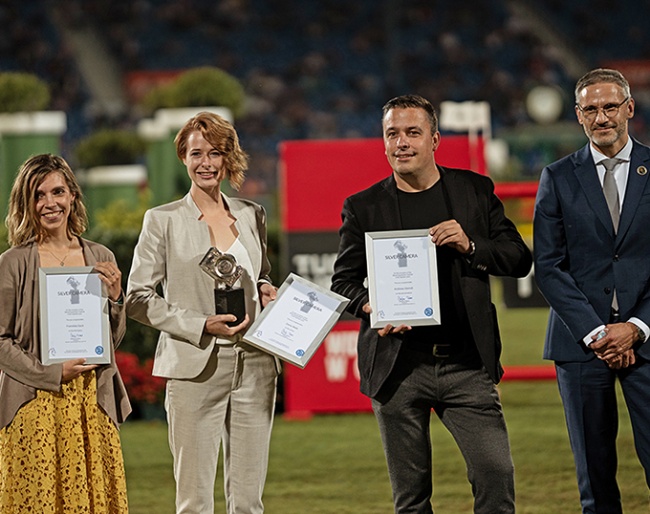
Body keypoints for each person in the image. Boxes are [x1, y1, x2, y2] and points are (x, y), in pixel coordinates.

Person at [331, 94, 532, 513]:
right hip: (398, 367)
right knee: (411, 499)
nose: (401, 142)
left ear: (435, 139)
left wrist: (471, 244)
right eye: (392, 134)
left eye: (412, 132)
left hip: (466, 365)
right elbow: (343, 283)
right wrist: (373, 307)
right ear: (383, 142)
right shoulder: (363, 206)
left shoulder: (474, 191)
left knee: (496, 476)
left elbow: (518, 258)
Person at [126, 111, 280, 514]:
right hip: (195, 367)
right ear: (183, 158)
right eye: (197, 153)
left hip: (256, 363)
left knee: (249, 501)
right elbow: (137, 298)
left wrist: (265, 288)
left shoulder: (251, 214)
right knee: (194, 501)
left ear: (228, 157)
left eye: (215, 153)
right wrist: (199, 324)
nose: (206, 163)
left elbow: (260, 273)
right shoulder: (162, 221)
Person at [533, 68, 650, 513]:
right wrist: (597, 333)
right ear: (578, 116)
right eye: (591, 109)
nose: (602, 117)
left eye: (610, 106)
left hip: (647, 338)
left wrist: (636, 327)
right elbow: (548, 266)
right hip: (582, 346)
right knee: (595, 481)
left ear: (629, 109)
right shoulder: (558, 177)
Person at [0, 153, 131, 512]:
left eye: (57, 192)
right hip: (34, 401)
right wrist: (52, 373)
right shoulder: (12, 263)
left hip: (91, 401)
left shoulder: (100, 256)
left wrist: (117, 299)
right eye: (38, 195)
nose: (49, 203)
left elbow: (110, 341)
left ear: (72, 195)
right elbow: (0, 341)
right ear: (26, 203)